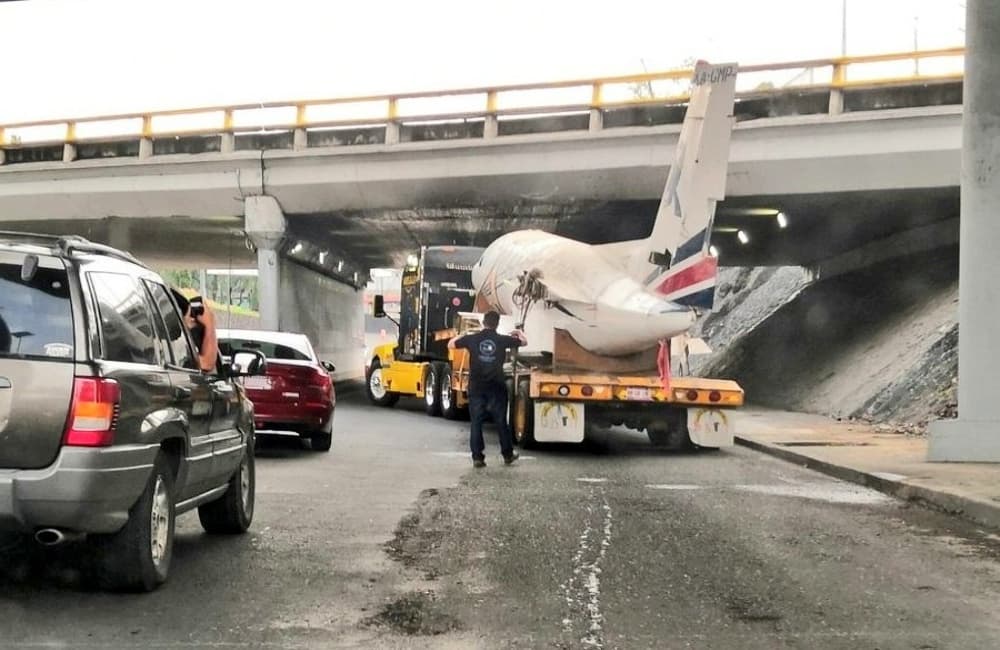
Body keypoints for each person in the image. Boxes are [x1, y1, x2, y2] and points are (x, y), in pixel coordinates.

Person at [448, 311, 527, 468]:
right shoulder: (502, 340)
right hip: (496, 386)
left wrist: (462, 334)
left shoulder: (472, 339)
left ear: (484, 322)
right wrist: (518, 332)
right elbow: (524, 342)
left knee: (476, 422)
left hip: (476, 386)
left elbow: (450, 344)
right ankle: (507, 454)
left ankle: (478, 457)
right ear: (497, 324)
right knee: (500, 421)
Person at [171, 290, 219, 372]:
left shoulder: (157, 343)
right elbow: (206, 364)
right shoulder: (176, 345)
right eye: (189, 317)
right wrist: (209, 324)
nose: (192, 321)